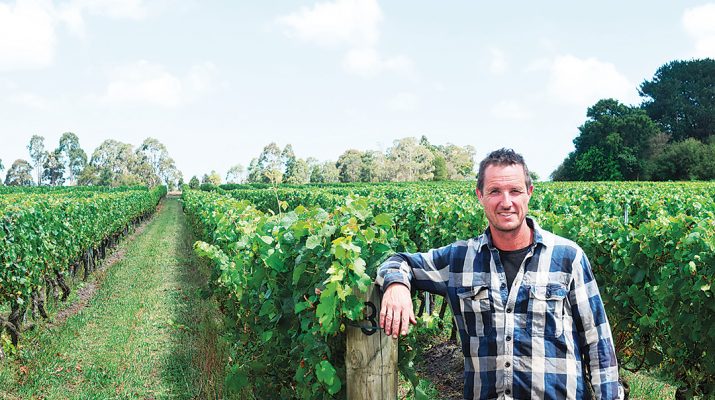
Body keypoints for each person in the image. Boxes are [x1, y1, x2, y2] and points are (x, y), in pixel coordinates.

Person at [376, 148, 623, 400]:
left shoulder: (568, 257)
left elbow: (597, 342)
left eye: (515, 191)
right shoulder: (458, 260)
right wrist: (396, 286)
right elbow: (397, 261)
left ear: (529, 193)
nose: (506, 202)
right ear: (480, 196)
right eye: (495, 191)